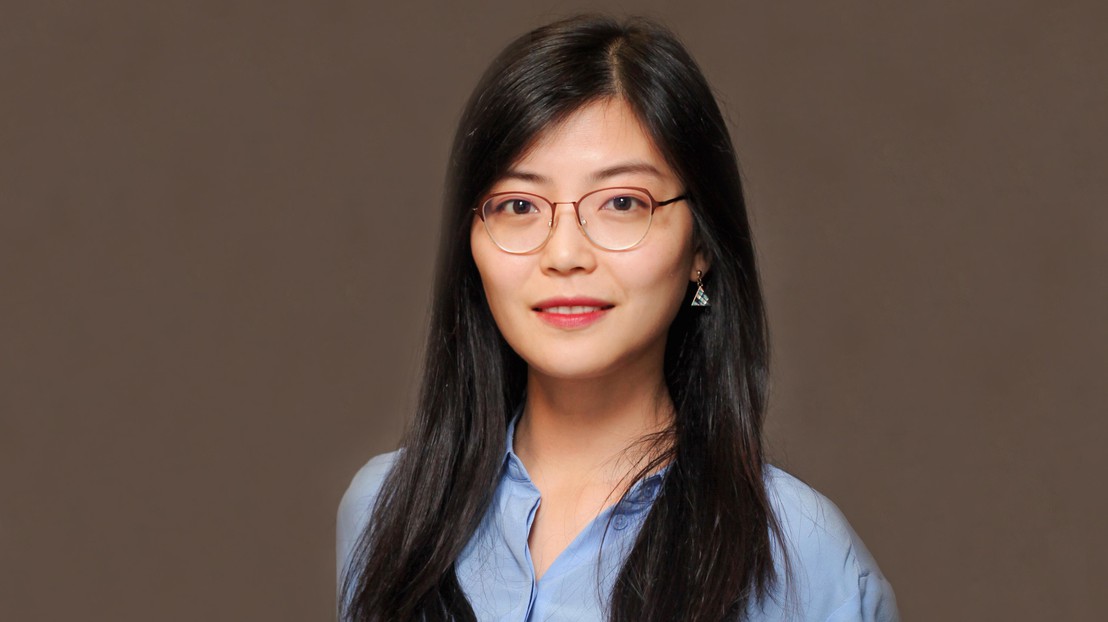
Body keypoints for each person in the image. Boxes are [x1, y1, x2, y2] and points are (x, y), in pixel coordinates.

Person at [337, 14, 898, 622]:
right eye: (519, 205)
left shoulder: (801, 557)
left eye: (623, 203)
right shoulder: (384, 511)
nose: (565, 254)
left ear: (701, 247)